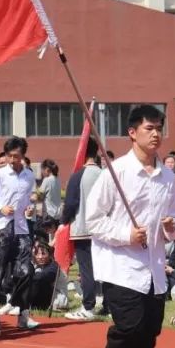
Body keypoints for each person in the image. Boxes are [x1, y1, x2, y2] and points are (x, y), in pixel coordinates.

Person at [87, 105, 175, 348]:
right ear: (132, 132)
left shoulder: (168, 177)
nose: (156, 134)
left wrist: (170, 228)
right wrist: (127, 234)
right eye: (148, 128)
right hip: (120, 266)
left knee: (149, 333)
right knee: (129, 327)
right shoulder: (115, 174)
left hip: (154, 268)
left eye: (159, 128)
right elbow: (93, 220)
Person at [0, 136, 38, 330]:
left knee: (26, 271)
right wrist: (0, 208)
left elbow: (27, 200)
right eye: (10, 156)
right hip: (1, 229)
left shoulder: (29, 176)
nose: (13, 160)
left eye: (16, 156)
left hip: (22, 229)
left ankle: (23, 313)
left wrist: (29, 209)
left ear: (23, 156)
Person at [62, 137, 103, 322]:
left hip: (83, 229)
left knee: (87, 269)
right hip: (104, 230)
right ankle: (108, 304)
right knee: (104, 268)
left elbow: (70, 204)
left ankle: (88, 306)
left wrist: (63, 222)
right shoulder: (104, 174)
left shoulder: (78, 175)